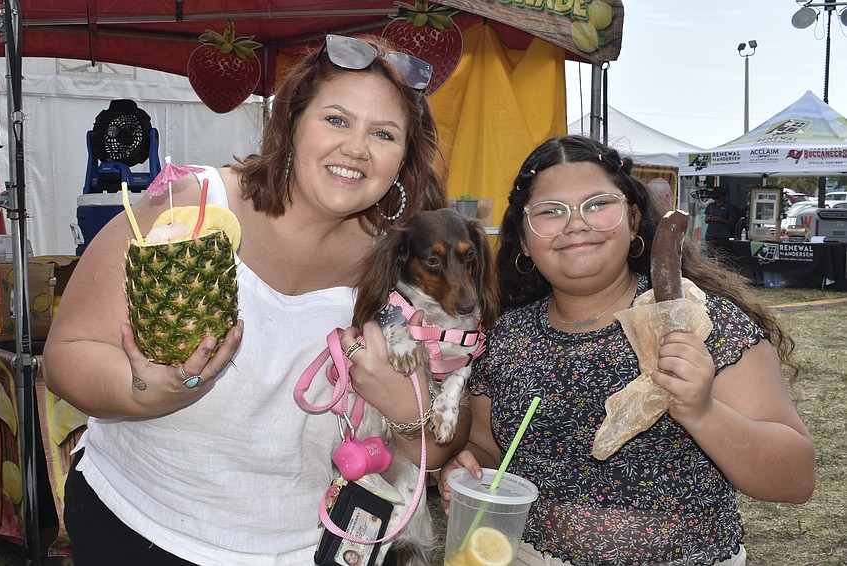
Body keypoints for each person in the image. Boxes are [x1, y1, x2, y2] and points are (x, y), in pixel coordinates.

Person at [43, 33, 469, 565]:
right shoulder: (191, 209)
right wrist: (146, 393)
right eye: (336, 120)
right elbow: (67, 352)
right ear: (291, 123)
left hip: (303, 547)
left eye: (383, 133)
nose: (356, 149)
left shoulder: (404, 266)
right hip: (137, 523)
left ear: (404, 157)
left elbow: (441, 441)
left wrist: (412, 414)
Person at [436, 135, 815, 565]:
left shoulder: (698, 321)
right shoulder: (504, 338)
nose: (575, 224)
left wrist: (703, 410)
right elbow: (489, 448)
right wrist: (468, 468)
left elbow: (795, 479)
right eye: (549, 212)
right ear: (523, 240)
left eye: (598, 204)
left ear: (633, 220)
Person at [704, 187, 737, 259]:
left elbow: (731, 222)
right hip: (710, 234)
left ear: (722, 196)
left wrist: (720, 220)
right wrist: (709, 218)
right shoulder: (711, 206)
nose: (715, 200)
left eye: (717, 197)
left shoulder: (728, 206)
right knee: (710, 256)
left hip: (722, 235)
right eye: (714, 198)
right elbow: (706, 220)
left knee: (721, 256)